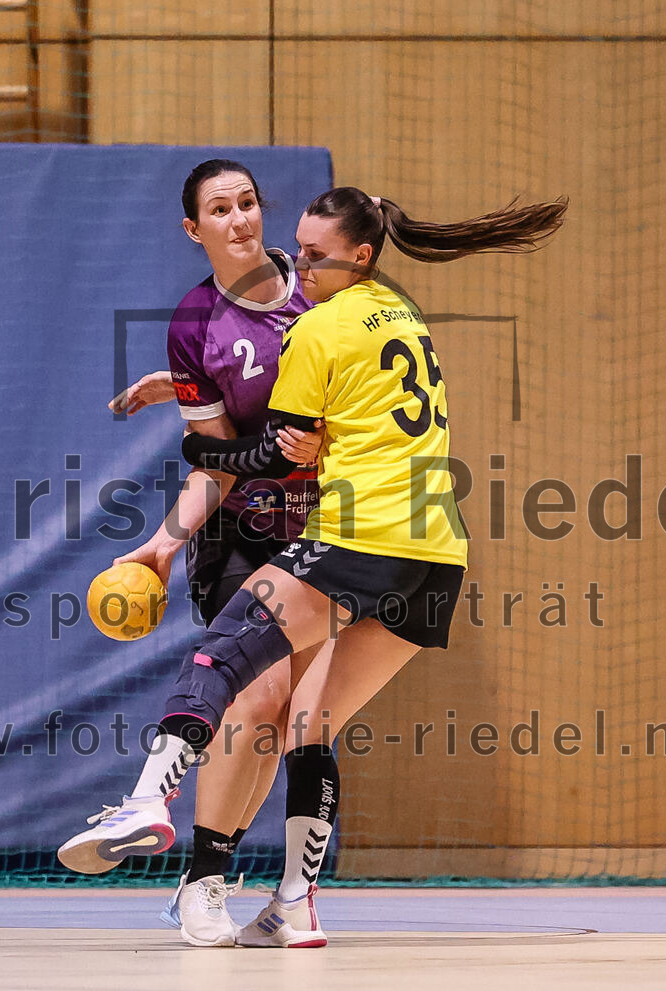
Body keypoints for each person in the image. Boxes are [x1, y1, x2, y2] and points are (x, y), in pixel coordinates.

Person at [71, 185, 567, 947]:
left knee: (220, 658)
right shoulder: (398, 310)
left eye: (309, 251)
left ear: (357, 255)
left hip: (350, 535)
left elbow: (266, 450)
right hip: (436, 551)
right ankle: (292, 906)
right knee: (308, 723)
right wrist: (194, 397)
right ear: (193, 227)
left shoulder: (317, 324)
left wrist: (197, 442)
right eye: (293, 249)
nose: (295, 260)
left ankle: (145, 801)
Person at [58, 159, 331, 947]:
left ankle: (249, 888)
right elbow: (215, 461)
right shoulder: (195, 324)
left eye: (248, 203)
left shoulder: (319, 294)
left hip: (327, 532)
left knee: (298, 718)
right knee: (252, 701)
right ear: (195, 229)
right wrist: (162, 546)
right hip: (243, 535)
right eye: (221, 209)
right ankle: (200, 881)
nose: (241, 219)